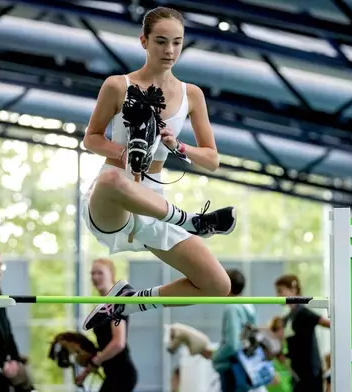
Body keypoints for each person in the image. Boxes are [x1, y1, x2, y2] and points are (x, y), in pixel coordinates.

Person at [80, 6, 236, 331]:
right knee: (110, 179)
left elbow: (212, 159)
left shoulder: (192, 94)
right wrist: (123, 153)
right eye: (161, 42)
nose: (169, 51)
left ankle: (125, 303)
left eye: (177, 43)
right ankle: (190, 221)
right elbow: (91, 139)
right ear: (144, 41)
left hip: (154, 202)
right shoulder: (117, 85)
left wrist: (178, 147)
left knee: (217, 285)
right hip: (113, 199)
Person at [76, 259, 138, 392]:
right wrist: (86, 372)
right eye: (92, 273)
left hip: (122, 373)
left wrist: (96, 361)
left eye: (100, 273)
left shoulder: (115, 303)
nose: (95, 277)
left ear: (111, 274)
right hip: (112, 372)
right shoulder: (103, 306)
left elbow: (118, 343)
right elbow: (106, 345)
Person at [275, 274, 330, 392]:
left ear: (293, 290)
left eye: (280, 291)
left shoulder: (304, 313)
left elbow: (329, 323)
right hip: (297, 373)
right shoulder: (288, 318)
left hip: (310, 372)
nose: (278, 295)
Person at [0, 252, 34, 392]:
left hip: (4, 361)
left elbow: (8, 333)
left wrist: (15, 360)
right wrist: (2, 364)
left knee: (26, 378)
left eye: (0, 265)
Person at [208, 269, 254, 391]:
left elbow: (232, 344)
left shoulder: (232, 308)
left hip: (232, 367)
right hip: (246, 366)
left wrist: (215, 356)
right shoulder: (248, 306)